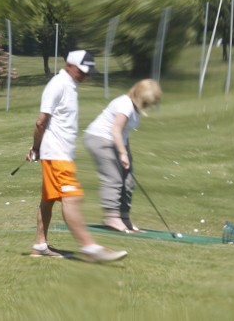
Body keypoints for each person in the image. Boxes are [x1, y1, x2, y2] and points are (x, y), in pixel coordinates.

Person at [26, 50, 128, 263]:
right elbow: (40, 121)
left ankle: (40, 244)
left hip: (58, 154)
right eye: (83, 71)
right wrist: (36, 148)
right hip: (56, 154)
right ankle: (90, 248)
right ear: (70, 65)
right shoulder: (58, 84)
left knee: (49, 200)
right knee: (72, 198)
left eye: (88, 72)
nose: (86, 76)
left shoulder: (70, 85)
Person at [84, 79, 162, 233]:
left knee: (128, 180)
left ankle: (124, 218)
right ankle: (111, 217)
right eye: (146, 102)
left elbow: (123, 134)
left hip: (115, 141)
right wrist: (122, 153)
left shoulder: (135, 109)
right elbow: (116, 130)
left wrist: (127, 156)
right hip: (99, 138)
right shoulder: (125, 104)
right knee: (114, 178)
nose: (147, 106)